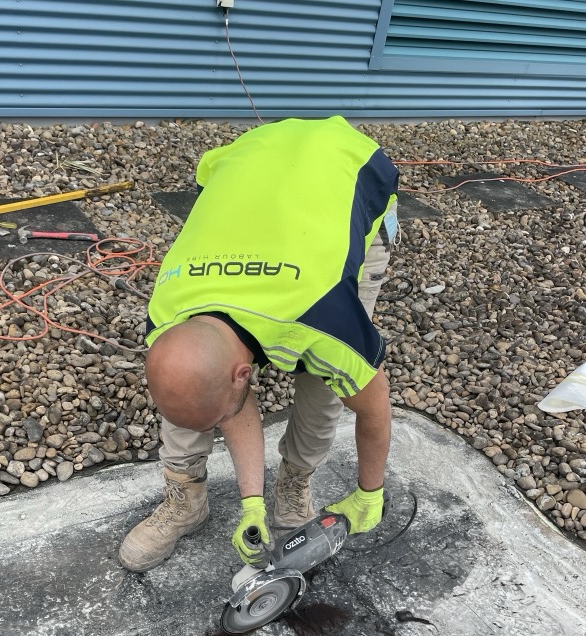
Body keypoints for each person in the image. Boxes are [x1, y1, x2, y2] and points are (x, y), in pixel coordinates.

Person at [119, 115, 399, 572]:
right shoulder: (167, 310)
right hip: (251, 163)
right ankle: (185, 497)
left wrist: (370, 494)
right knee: (192, 378)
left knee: (322, 378)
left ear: (244, 375)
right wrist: (250, 503)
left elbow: (373, 405)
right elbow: (221, 389)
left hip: (351, 169)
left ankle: (295, 482)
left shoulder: (325, 315)